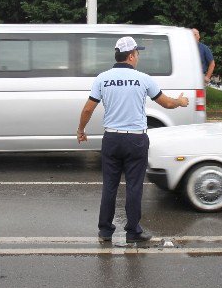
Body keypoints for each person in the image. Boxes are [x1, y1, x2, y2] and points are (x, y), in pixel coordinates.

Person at [77, 36, 190, 244]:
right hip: (136, 140)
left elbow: (88, 108)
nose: (138, 57)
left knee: (109, 186)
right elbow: (166, 103)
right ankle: (132, 232)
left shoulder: (102, 78)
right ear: (130, 56)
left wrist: (81, 130)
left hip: (111, 139)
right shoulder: (143, 79)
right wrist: (181, 101)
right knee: (134, 187)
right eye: (137, 54)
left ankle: (105, 231)